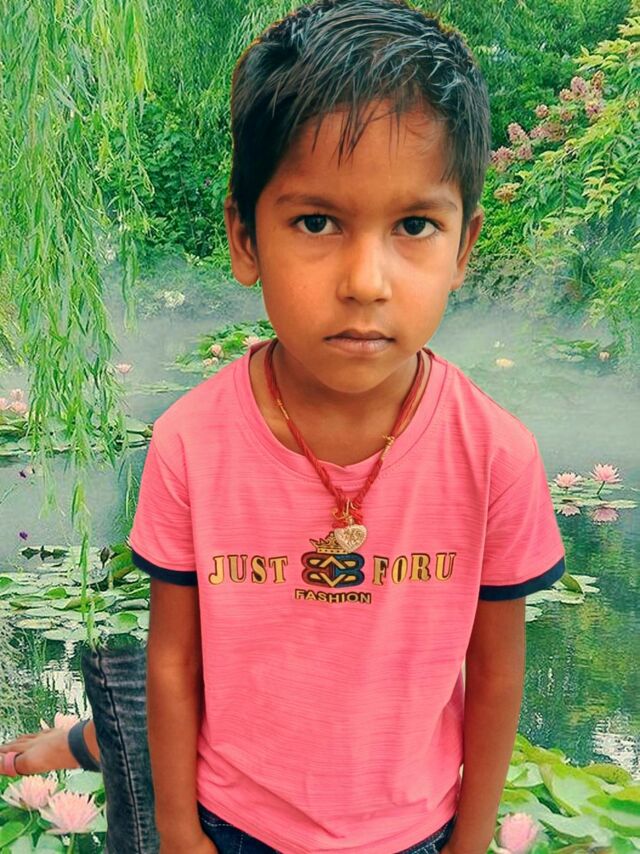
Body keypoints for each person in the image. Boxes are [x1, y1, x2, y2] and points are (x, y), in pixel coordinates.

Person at [6, 1, 568, 852]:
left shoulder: (496, 455)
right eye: (316, 222)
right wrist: (179, 829)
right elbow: (173, 661)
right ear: (245, 237)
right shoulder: (192, 442)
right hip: (234, 825)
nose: (366, 281)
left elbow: (494, 673)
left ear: (464, 247)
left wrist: (470, 839)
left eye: (414, 225)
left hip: (415, 832)